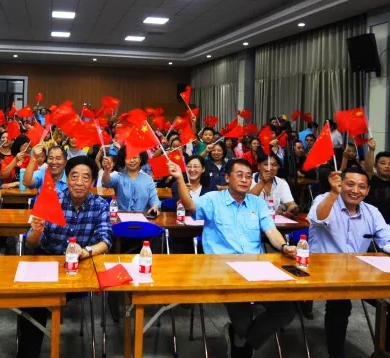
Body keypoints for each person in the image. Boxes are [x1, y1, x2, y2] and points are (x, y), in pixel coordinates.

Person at [168, 158, 296, 358]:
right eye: (239, 175)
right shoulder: (213, 199)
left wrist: (284, 246)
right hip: (222, 270)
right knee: (243, 318)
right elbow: (191, 206)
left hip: (256, 268)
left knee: (286, 309)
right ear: (227, 177)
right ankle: (242, 343)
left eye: (248, 176)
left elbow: (270, 230)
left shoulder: (257, 203)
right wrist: (178, 180)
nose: (245, 180)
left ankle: (241, 339)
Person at [308, 167, 390, 358]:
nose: (355, 190)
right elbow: (318, 217)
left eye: (361, 187)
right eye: (349, 184)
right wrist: (333, 194)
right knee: (340, 307)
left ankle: (387, 355)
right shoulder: (325, 200)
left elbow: (388, 237)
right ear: (340, 184)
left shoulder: (371, 211)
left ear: (367, 190)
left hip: (360, 275)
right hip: (327, 273)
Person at [17, 156, 112, 358]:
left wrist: (86, 251)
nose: (79, 183)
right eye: (74, 176)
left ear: (93, 182)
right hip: (48, 263)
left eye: (85, 178)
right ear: (67, 179)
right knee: (31, 300)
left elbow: (105, 240)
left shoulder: (100, 205)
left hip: (80, 267)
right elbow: (31, 243)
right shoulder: (51, 200)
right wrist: (35, 231)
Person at [101, 147, 160, 216]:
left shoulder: (148, 179)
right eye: (128, 158)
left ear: (140, 159)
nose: (132, 161)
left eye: (135, 157)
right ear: (124, 160)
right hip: (121, 220)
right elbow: (106, 183)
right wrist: (107, 170)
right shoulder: (118, 177)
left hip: (143, 220)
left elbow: (154, 199)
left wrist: (154, 207)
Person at [249, 153, 299, 217]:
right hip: (252, 218)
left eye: (274, 165)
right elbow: (246, 199)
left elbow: (290, 203)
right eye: (266, 164)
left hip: (273, 223)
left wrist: (293, 209)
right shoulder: (249, 179)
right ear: (258, 166)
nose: (271, 168)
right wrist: (262, 182)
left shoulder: (282, 183)